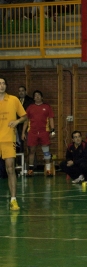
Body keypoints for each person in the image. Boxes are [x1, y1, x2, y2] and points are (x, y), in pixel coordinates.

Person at [0, 77, 27, 210]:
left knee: (10, 169)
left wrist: (17, 122)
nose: (2, 86)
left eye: (4, 83)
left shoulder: (13, 99)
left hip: (8, 138)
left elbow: (24, 116)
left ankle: (13, 200)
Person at [22, 90, 55, 177]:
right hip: (32, 132)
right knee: (31, 151)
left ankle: (48, 170)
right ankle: (30, 170)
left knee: (46, 151)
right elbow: (26, 120)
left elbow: (51, 119)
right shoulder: (30, 107)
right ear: (33, 98)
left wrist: (53, 130)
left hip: (44, 132)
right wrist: (23, 132)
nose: (37, 97)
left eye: (39, 95)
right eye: (35, 95)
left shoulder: (47, 107)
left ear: (42, 97)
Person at [16, 85, 34, 153]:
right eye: (19, 91)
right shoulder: (16, 100)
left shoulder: (31, 101)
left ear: (25, 92)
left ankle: (32, 163)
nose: (21, 92)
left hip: (29, 125)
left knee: (31, 146)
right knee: (19, 145)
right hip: (18, 125)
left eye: (22, 91)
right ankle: (20, 162)